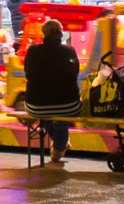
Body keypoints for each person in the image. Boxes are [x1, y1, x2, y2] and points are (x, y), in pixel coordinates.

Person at [24, 18, 84, 164]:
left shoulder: (32, 51)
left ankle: (61, 144)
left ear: (43, 33)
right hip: (68, 104)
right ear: (61, 33)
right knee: (61, 116)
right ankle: (59, 147)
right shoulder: (69, 50)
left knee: (46, 113)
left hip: (35, 105)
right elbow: (74, 73)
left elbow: (28, 74)